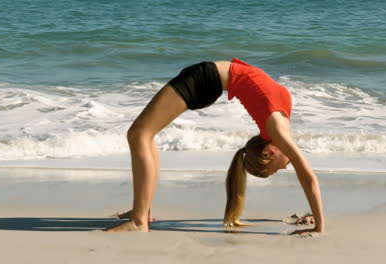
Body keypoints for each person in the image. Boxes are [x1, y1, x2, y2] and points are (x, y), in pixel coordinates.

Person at [106, 58, 325, 235]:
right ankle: (141, 216)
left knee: (141, 134)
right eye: (277, 169)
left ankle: (141, 216)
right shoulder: (278, 129)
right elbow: (307, 177)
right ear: (271, 151)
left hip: (209, 80)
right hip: (205, 79)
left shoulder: (278, 126)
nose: (285, 168)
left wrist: (313, 216)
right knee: (141, 134)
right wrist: (319, 227)